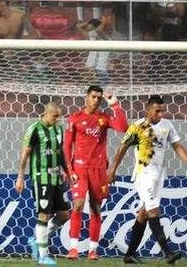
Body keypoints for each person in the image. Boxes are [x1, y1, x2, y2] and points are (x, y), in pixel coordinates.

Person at [108, 95, 187, 265]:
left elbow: (177, 146)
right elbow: (122, 148)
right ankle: (168, 253)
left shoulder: (167, 125)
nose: (160, 114)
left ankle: (129, 255)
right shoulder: (137, 126)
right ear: (148, 109)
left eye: (162, 111)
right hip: (144, 175)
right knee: (153, 211)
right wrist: (112, 170)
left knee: (144, 213)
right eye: (157, 111)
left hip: (159, 175)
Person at [63, 84, 129, 260]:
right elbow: (67, 146)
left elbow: (123, 127)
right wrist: (68, 169)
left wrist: (115, 105)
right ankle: (73, 248)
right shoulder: (74, 119)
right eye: (93, 96)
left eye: (99, 97)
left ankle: (93, 250)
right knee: (77, 204)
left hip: (99, 170)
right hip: (79, 168)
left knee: (95, 208)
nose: (96, 100)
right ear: (86, 97)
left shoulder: (104, 118)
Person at [17, 103, 71, 266]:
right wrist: (20, 177)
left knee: (63, 215)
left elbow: (59, 151)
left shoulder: (58, 129)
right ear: (46, 114)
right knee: (43, 215)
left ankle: (36, 239)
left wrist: (66, 170)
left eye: (59, 116)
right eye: (55, 116)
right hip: (41, 178)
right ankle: (42, 256)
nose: (57, 119)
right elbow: (25, 153)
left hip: (56, 178)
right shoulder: (34, 129)